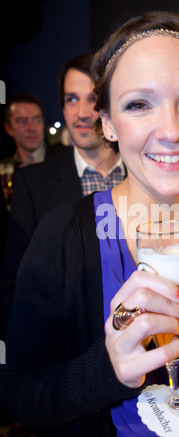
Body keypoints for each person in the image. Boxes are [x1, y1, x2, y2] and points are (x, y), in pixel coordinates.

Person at [0, 11, 179, 437]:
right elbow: (19, 392)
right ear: (109, 123)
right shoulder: (63, 235)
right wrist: (107, 370)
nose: (172, 130)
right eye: (139, 104)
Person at [0, 53, 124, 342]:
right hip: (64, 349)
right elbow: (15, 281)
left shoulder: (144, 174)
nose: (81, 112)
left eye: (92, 98)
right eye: (71, 99)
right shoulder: (33, 183)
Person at [1, 93, 64, 205]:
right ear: (8, 128)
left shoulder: (65, 159)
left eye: (37, 120)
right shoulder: (4, 170)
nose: (31, 128)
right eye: (22, 121)